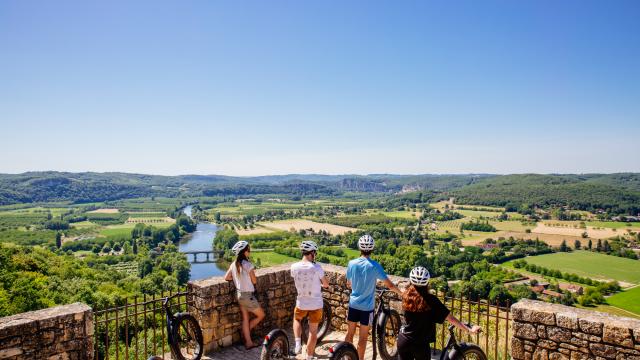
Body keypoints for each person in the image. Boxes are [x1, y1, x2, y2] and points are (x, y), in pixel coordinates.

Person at [398, 266, 481, 360]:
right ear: (427, 282)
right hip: (420, 344)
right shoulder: (431, 300)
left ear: (411, 281)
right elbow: (451, 319)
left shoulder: (405, 296)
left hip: (403, 339)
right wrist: (469, 330)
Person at [345, 234, 403, 360]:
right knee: (363, 338)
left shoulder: (351, 263)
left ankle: (346, 356)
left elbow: (348, 283)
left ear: (359, 248)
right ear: (372, 249)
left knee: (349, 334)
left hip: (353, 304)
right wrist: (402, 294)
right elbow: (390, 285)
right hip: (367, 308)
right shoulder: (375, 266)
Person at [290, 240, 329, 360]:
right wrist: (323, 285)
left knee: (297, 319)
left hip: (301, 302)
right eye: (315, 253)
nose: (315, 255)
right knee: (313, 331)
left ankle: (297, 344)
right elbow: (326, 284)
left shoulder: (294, 267)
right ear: (311, 253)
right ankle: (310, 356)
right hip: (316, 304)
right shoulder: (317, 267)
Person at [224, 240, 265, 350]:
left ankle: (248, 342)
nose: (249, 252)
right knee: (261, 315)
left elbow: (226, 277)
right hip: (247, 296)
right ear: (244, 252)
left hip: (239, 295)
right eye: (248, 250)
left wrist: (238, 279)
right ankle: (246, 333)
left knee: (245, 318)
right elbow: (255, 281)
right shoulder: (248, 264)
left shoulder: (233, 264)